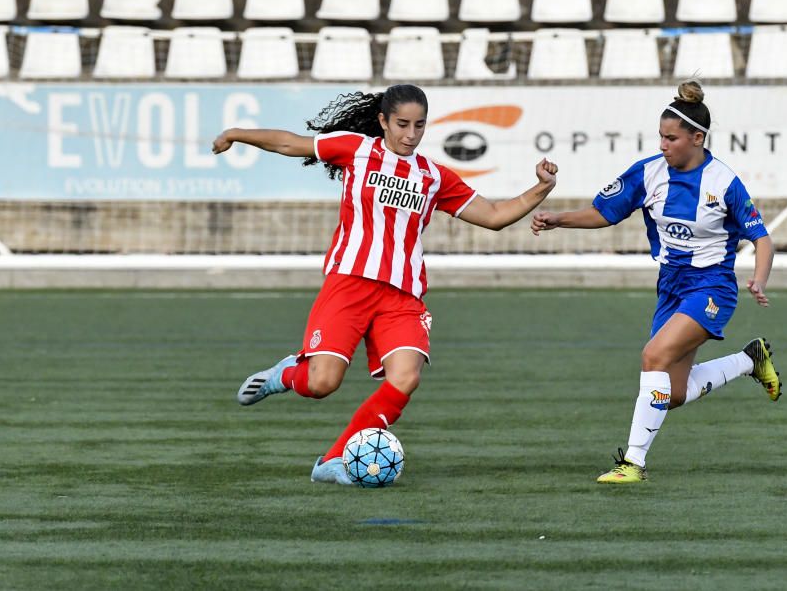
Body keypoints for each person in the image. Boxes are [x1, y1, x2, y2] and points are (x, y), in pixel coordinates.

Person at [212, 84, 558, 485]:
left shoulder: (433, 176)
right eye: (402, 124)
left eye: (420, 126)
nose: (411, 134)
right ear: (383, 121)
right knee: (322, 382)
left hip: (402, 295)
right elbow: (292, 144)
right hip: (350, 283)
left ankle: (334, 460)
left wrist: (541, 189)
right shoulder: (357, 150)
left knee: (406, 376)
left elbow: (495, 215)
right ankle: (286, 375)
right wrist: (237, 133)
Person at [530, 80, 781, 484]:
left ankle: (632, 463)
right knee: (673, 393)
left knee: (653, 357)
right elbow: (605, 211)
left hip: (712, 287)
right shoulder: (649, 173)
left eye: (671, 138)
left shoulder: (723, 183)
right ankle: (750, 360)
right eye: (660, 137)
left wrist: (759, 279)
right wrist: (558, 219)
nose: (663, 145)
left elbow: (762, 238)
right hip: (670, 286)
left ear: (697, 138)